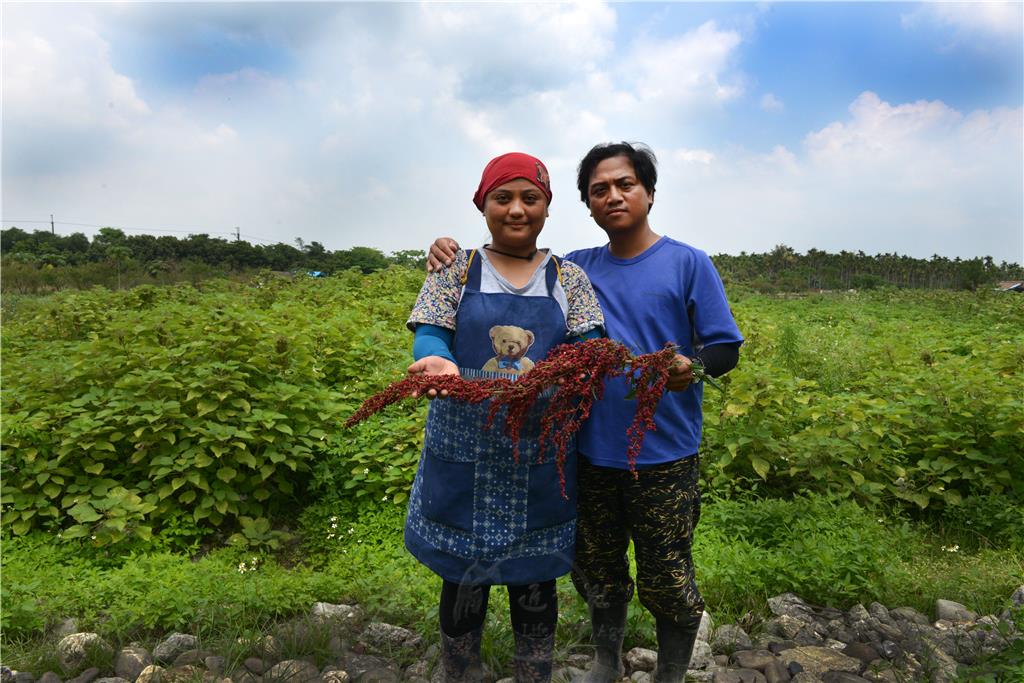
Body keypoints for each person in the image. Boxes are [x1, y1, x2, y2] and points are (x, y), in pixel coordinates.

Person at [427, 142, 743, 683]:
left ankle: (669, 674)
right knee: (596, 569)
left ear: (649, 192)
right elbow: (515, 266)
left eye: (625, 185)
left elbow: (726, 349)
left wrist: (692, 366)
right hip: (587, 450)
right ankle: (605, 664)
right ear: (586, 204)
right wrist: (444, 252)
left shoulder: (688, 263)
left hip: (663, 452)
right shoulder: (575, 269)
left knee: (667, 573)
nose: (614, 196)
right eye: (600, 190)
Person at [405, 152, 605, 683]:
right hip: (463, 449)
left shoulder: (571, 278)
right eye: (503, 198)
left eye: (530, 198)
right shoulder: (456, 269)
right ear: (483, 205)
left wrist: (580, 369)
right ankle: (460, 671)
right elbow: (431, 329)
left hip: (539, 453)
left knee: (535, 578)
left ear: (546, 207)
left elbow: (590, 345)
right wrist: (437, 358)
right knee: (462, 574)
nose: (517, 210)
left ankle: (533, 673)